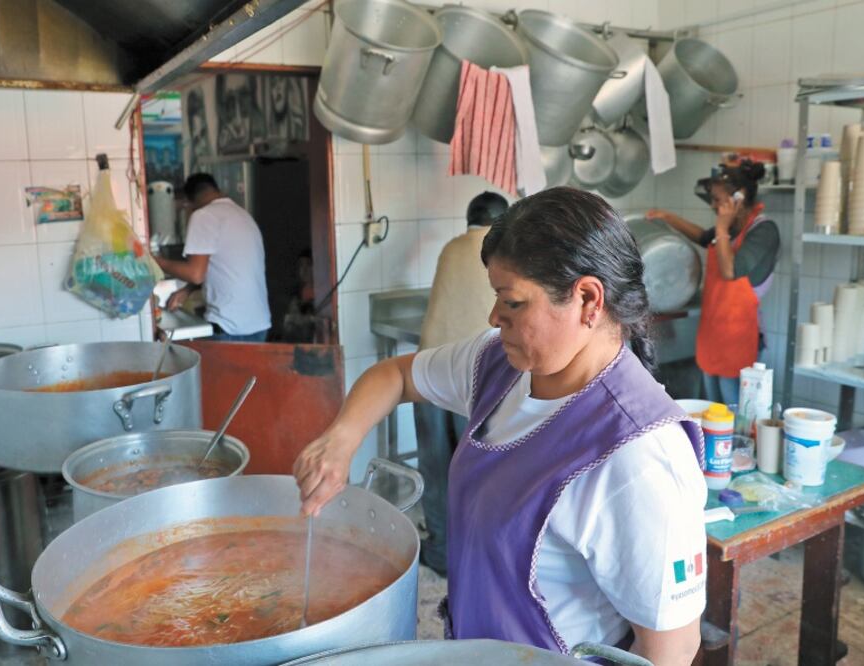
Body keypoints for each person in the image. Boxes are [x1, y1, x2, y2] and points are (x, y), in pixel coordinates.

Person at [294, 188, 706, 663]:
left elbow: (671, 651)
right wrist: (340, 439)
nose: (494, 316)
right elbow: (396, 375)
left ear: (588, 299)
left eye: (511, 302)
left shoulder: (639, 457)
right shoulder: (498, 363)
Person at [414, 190, 509, 576]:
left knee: (435, 464)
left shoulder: (452, 248)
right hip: (475, 374)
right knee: (474, 468)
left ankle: (439, 550)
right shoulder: (507, 255)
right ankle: (477, 554)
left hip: (428, 369)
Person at [647, 160, 778, 405]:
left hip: (741, 341)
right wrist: (667, 217)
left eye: (719, 201)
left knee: (737, 415)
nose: (715, 206)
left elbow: (730, 270)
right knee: (711, 412)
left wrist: (721, 226)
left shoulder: (763, 231)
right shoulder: (727, 232)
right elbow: (702, 236)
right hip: (713, 336)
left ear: (739, 199)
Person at [155, 173, 272, 342]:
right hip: (259, 325)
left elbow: (195, 273)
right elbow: (226, 267)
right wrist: (187, 290)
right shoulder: (242, 215)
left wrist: (157, 261)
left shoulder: (203, 216)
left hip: (230, 328)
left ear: (190, 201)